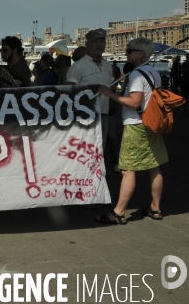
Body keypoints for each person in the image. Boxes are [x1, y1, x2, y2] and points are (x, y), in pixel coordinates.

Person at [96, 38, 168, 225]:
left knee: (128, 170)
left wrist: (110, 94)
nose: (126, 53)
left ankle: (119, 212)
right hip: (151, 124)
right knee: (154, 166)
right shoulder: (153, 72)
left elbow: (135, 102)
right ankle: (155, 207)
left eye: (129, 51)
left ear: (141, 54)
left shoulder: (137, 75)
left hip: (136, 125)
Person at [66, 29, 112, 153]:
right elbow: (70, 92)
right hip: (85, 116)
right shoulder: (78, 66)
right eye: (95, 41)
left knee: (100, 150)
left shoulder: (108, 65)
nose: (99, 44)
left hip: (104, 114)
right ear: (88, 44)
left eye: (102, 41)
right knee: (84, 152)